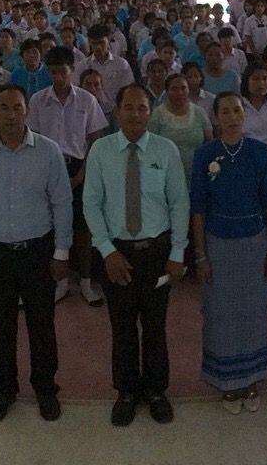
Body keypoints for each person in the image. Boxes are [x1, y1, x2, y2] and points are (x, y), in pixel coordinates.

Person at [0, 84, 72, 422]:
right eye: (4, 108)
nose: (10, 115)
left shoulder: (48, 151)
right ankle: (4, 391)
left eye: (17, 108)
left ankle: (45, 389)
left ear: (28, 111)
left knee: (42, 326)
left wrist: (61, 252)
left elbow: (62, 203)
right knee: (0, 328)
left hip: (38, 252)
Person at [83, 84, 189, 427]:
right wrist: (107, 251)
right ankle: (127, 392)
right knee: (123, 327)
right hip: (117, 254)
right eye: (128, 107)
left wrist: (177, 252)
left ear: (150, 112)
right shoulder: (101, 150)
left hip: (156, 252)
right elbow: (91, 203)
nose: (135, 114)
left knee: (155, 327)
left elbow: (179, 202)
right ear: (117, 111)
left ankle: (156, 391)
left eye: (142, 108)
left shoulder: (165, 149)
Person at [189, 93, 267, 414]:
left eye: (237, 111)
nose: (231, 117)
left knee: (253, 310)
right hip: (218, 244)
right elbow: (198, 209)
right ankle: (226, 381)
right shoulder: (205, 155)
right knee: (220, 311)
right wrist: (200, 255)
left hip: (254, 243)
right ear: (215, 117)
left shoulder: (259, 152)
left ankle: (252, 379)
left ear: (245, 115)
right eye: (225, 112)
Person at [28, 46, 109, 306]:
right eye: (53, 72)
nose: (58, 78)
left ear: (72, 70)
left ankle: (85, 281)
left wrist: (81, 175)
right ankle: (59, 281)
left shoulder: (86, 100)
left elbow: (96, 140)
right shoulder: (38, 100)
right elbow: (34, 140)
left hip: (79, 167)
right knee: (52, 226)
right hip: (49, 168)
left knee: (83, 228)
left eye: (63, 72)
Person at [150, 73, 212, 157]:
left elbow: (209, 142)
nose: (179, 93)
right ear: (167, 92)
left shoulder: (199, 112)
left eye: (183, 88)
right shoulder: (157, 115)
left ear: (188, 89)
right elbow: (151, 146)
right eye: (174, 89)